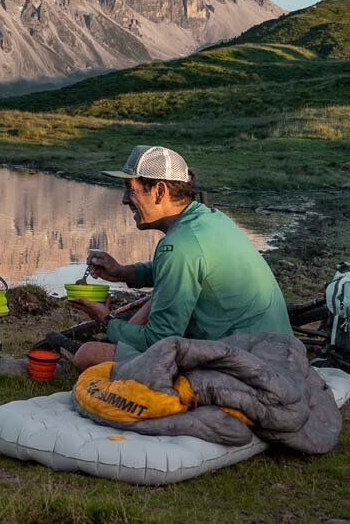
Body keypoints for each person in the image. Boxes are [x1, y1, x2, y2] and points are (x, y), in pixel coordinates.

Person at [39, 144, 292, 371]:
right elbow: (176, 270)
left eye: (130, 189)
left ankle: (85, 349)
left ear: (160, 191)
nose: (124, 199)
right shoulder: (209, 218)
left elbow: (157, 342)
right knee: (156, 299)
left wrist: (105, 320)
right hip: (278, 350)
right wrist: (121, 272)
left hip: (247, 362)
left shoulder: (178, 246)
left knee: (89, 354)